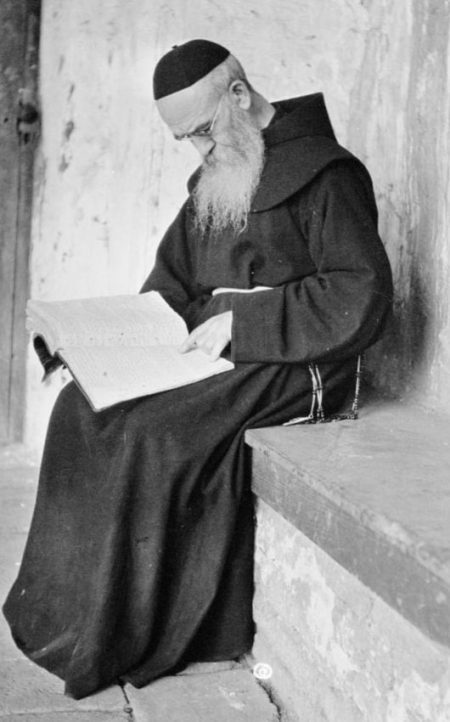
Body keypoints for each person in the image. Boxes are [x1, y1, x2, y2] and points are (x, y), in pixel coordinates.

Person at [3, 39, 393, 699]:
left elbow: (359, 294)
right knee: (82, 409)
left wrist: (243, 325)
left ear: (240, 94)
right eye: (188, 139)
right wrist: (105, 345)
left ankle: (152, 632)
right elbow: (171, 284)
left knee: (155, 435)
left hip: (293, 357)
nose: (203, 151)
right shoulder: (217, 175)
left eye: (206, 131)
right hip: (214, 351)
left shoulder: (326, 174)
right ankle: (75, 621)